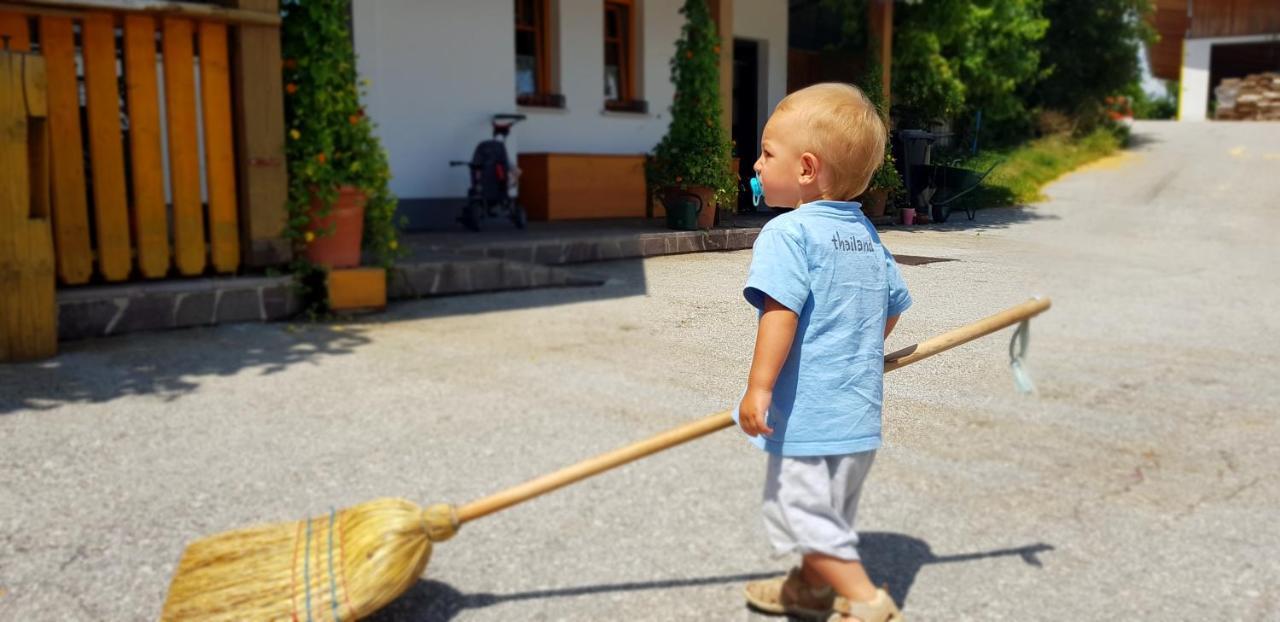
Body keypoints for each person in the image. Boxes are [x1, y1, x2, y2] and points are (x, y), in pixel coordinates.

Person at [736, 82, 911, 622]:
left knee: (801, 515)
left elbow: (780, 313)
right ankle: (809, 591)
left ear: (807, 169)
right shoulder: (864, 233)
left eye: (767, 153)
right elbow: (892, 304)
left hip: (809, 417)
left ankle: (865, 602)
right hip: (858, 417)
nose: (758, 165)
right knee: (828, 516)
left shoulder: (788, 232)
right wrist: (857, 350)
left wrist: (759, 387)